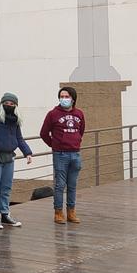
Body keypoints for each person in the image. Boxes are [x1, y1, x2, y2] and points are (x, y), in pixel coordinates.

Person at [0, 93, 34, 230]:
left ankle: (5, 214)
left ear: (16, 106)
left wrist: (27, 152)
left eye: (12, 104)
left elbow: (19, 138)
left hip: (9, 157)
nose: (9, 106)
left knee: (6, 188)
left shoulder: (15, 120)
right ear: (2, 103)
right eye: (7, 103)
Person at [40, 87, 86, 225]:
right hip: (60, 154)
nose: (64, 98)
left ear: (73, 98)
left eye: (67, 96)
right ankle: (58, 212)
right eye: (62, 96)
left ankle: (71, 211)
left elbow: (81, 131)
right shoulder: (52, 114)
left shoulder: (79, 114)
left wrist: (75, 142)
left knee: (72, 185)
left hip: (75, 153)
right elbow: (43, 133)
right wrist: (54, 145)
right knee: (60, 185)